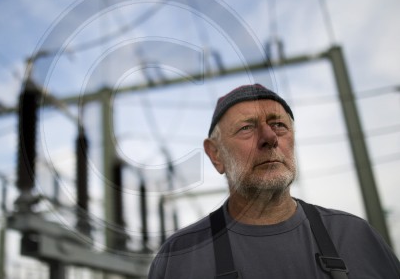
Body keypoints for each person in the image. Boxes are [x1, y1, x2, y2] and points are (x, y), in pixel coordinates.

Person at [148, 84, 400, 278]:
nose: (269, 137)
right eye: (246, 127)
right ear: (216, 154)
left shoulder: (356, 236)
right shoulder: (179, 258)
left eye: (279, 125)